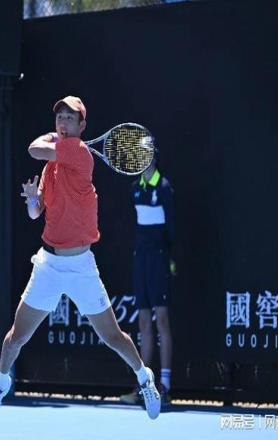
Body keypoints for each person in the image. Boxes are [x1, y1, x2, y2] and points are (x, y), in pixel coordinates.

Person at [0, 96, 161, 422]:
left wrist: (51, 139)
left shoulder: (79, 153)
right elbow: (36, 213)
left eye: (69, 118)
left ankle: (144, 379)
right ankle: (0, 386)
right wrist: (32, 200)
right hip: (49, 265)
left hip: (81, 266)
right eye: (59, 117)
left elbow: (33, 148)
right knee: (15, 338)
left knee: (112, 337)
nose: (63, 122)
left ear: (82, 126)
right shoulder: (50, 168)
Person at [120, 155, 176, 405]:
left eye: (148, 155)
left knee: (161, 319)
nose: (144, 160)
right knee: (143, 321)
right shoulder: (135, 189)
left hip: (159, 259)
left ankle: (165, 386)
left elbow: (172, 229)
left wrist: (171, 258)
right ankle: (144, 387)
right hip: (140, 259)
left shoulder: (164, 188)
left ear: (154, 157)